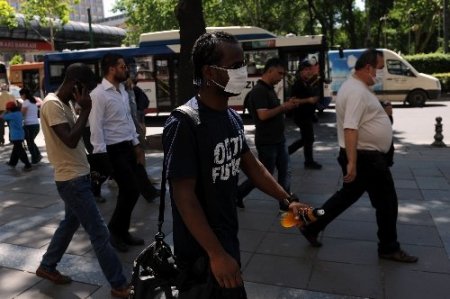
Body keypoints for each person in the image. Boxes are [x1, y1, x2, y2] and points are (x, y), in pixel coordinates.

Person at [162, 31, 309, 297]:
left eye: (244, 64)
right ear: (209, 72)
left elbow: (252, 166)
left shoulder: (232, 118)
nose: (244, 72)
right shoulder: (184, 123)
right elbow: (183, 196)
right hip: (200, 251)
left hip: (227, 238)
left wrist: (287, 200)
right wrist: (215, 254)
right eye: (235, 66)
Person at [299, 49, 418, 263]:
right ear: (368, 67)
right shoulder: (355, 91)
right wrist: (352, 162)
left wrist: (384, 115)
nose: (381, 73)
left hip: (364, 157)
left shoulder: (357, 87)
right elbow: (351, 127)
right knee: (387, 203)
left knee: (345, 197)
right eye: (380, 68)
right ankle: (389, 247)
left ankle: (313, 226)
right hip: (366, 159)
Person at [36, 63, 130, 298]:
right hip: (71, 181)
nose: (88, 95)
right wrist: (86, 110)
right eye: (86, 89)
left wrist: (90, 167)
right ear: (75, 84)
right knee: (99, 233)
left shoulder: (65, 103)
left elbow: (75, 143)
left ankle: (47, 266)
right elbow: (69, 140)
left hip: (77, 176)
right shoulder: (52, 104)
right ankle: (119, 285)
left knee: (70, 223)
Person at [89, 53, 146, 253]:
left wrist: (136, 144)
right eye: (122, 66)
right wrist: (101, 156)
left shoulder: (121, 90)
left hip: (128, 147)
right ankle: (114, 231)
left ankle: (122, 231)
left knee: (132, 190)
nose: (126, 69)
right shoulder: (98, 94)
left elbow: (128, 120)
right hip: (112, 150)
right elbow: (95, 127)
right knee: (131, 189)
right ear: (111, 69)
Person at [235, 58, 299, 209]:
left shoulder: (269, 89)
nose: (281, 77)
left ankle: (285, 201)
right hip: (267, 141)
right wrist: (284, 107)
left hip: (278, 139)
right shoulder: (259, 91)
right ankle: (238, 193)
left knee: (285, 170)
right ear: (270, 70)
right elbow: (263, 115)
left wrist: (285, 106)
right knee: (264, 175)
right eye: (279, 73)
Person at [124, 76, 161, 203]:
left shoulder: (128, 91)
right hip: (124, 134)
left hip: (131, 131)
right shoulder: (119, 92)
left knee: (137, 159)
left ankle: (147, 190)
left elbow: (132, 113)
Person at [287, 58, 322, 169]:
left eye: (309, 69)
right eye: (306, 70)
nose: (309, 72)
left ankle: (285, 154)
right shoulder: (297, 84)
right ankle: (308, 162)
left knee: (306, 139)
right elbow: (292, 101)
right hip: (301, 116)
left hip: (307, 115)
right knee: (308, 139)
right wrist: (309, 100)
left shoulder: (306, 83)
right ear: (301, 71)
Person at [1, 101, 32, 171]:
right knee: (16, 149)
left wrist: (6, 111)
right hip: (21, 134)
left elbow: (1, 116)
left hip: (15, 136)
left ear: (9, 109)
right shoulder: (19, 113)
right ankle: (12, 162)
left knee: (20, 151)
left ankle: (27, 164)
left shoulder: (11, 115)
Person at [20, 87, 43, 164]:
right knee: (31, 142)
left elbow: (22, 114)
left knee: (30, 143)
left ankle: (35, 158)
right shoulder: (33, 101)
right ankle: (38, 155)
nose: (21, 97)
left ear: (24, 95)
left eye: (21, 95)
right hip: (36, 124)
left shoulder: (26, 102)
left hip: (29, 125)